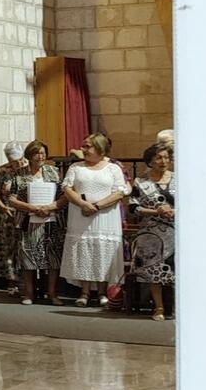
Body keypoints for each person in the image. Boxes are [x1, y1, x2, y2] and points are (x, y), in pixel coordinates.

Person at [60, 132, 129, 307]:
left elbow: (119, 192)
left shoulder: (113, 168)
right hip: (80, 216)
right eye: (83, 146)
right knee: (84, 250)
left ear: (99, 148)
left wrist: (97, 206)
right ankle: (84, 292)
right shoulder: (76, 167)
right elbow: (67, 188)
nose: (83, 149)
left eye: (87, 146)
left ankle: (101, 292)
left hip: (105, 217)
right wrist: (83, 204)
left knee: (103, 252)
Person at [8, 140, 64, 306]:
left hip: (50, 220)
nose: (41, 156)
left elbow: (63, 196)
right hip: (29, 221)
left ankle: (52, 294)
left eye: (43, 153)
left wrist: (50, 207)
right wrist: (31, 207)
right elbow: (11, 199)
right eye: (37, 153)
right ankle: (28, 294)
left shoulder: (53, 172)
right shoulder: (19, 174)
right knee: (28, 258)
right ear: (30, 156)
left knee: (53, 259)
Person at [130, 144, 176, 320]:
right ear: (150, 161)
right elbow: (133, 208)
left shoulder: (180, 179)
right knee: (154, 270)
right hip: (152, 233)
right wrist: (156, 212)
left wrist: (174, 211)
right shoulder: (141, 182)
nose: (163, 161)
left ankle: (177, 308)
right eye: (158, 158)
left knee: (176, 270)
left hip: (175, 232)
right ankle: (159, 308)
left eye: (166, 157)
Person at [0, 142, 24, 288]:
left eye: (18, 160)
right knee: (8, 247)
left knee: (23, 246)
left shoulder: (30, 169)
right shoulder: (1, 171)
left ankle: (27, 281)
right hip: (7, 215)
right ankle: (12, 281)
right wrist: (3, 207)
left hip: (25, 213)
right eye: (13, 161)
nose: (16, 163)